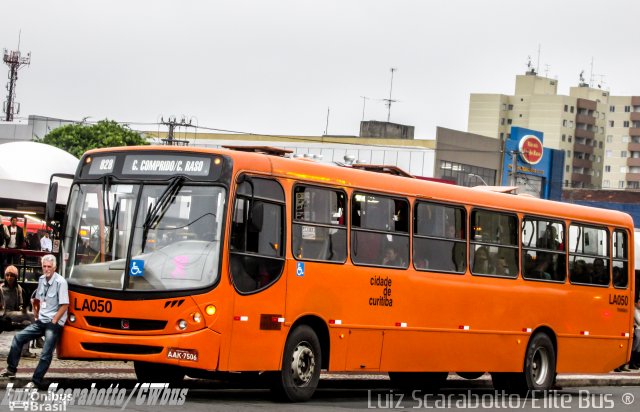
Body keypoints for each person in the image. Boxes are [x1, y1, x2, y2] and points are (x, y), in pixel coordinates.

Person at [0, 254, 69, 389]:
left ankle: (35, 381)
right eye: (44, 266)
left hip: (53, 322)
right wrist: (36, 312)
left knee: (46, 352)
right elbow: (38, 300)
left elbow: (65, 305)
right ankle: (11, 370)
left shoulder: (61, 282)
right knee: (18, 338)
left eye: (49, 266)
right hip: (42, 320)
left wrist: (54, 320)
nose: (46, 269)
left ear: (55, 267)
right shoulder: (42, 279)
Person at [0, 265, 35, 357]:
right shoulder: (1, 289)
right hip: (3, 314)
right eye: (7, 275)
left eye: (12, 275)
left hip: (14, 314)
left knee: (28, 323)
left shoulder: (18, 288)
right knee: (31, 315)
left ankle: (25, 351)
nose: (9, 277)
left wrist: (22, 310)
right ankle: (39, 338)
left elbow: (20, 304)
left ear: (16, 277)